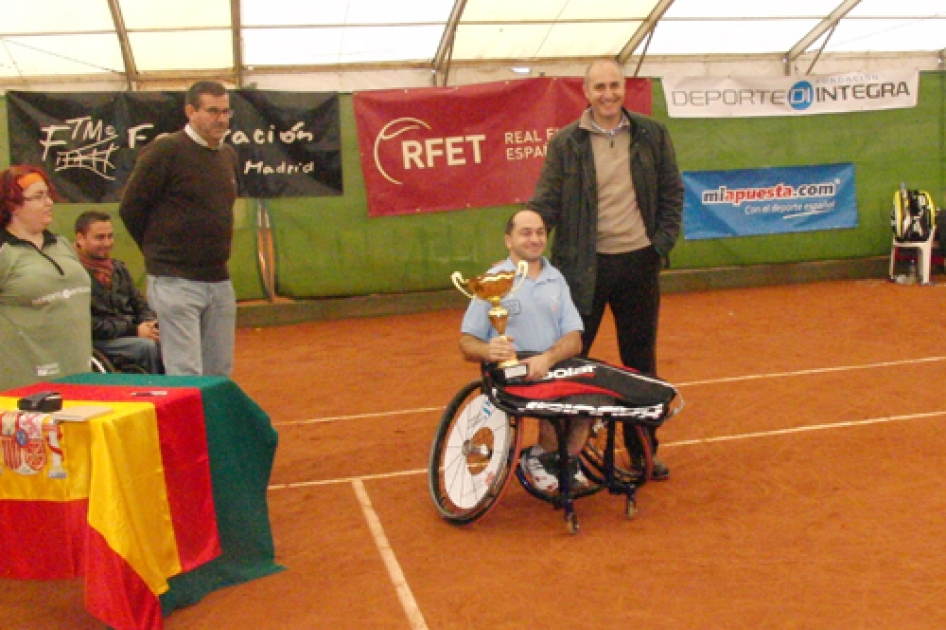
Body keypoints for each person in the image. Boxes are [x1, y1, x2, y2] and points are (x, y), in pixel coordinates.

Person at [527, 59, 684, 480]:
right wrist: (526, 232)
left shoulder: (652, 134)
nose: (608, 94)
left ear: (624, 88)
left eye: (614, 85)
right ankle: (561, 457)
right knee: (571, 361)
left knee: (640, 363)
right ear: (587, 92)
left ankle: (642, 453)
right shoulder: (566, 143)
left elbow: (672, 192)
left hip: (638, 265)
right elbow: (547, 200)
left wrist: (659, 245)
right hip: (582, 271)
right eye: (600, 87)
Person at [459, 209, 589, 493]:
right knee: (553, 402)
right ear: (509, 240)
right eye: (526, 232)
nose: (534, 239)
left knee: (590, 403)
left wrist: (548, 358)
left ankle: (560, 460)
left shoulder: (556, 278)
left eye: (540, 232)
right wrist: (487, 348)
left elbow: (574, 338)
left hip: (552, 365)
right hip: (511, 372)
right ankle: (543, 459)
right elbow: (466, 343)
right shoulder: (492, 280)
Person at [119, 80, 240, 376]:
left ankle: (211, 424)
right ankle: (185, 425)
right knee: (185, 372)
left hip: (219, 282)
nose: (221, 119)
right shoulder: (165, 151)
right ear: (190, 111)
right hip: (175, 283)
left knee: (219, 373)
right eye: (212, 111)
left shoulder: (228, 156)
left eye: (225, 111)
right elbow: (131, 208)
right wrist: (160, 255)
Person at [0, 165, 91, 390]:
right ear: (13, 205)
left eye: (48, 195)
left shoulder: (61, 245)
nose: (49, 203)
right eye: (39, 197)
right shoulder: (5, 252)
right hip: (24, 386)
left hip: (79, 375)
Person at [74, 210, 164, 374]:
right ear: (80, 238)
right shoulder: (73, 275)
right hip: (99, 341)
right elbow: (89, 324)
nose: (107, 243)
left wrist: (150, 323)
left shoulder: (118, 269)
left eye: (110, 236)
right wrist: (134, 330)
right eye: (99, 237)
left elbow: (139, 302)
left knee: (170, 337)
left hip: (128, 333)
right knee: (146, 347)